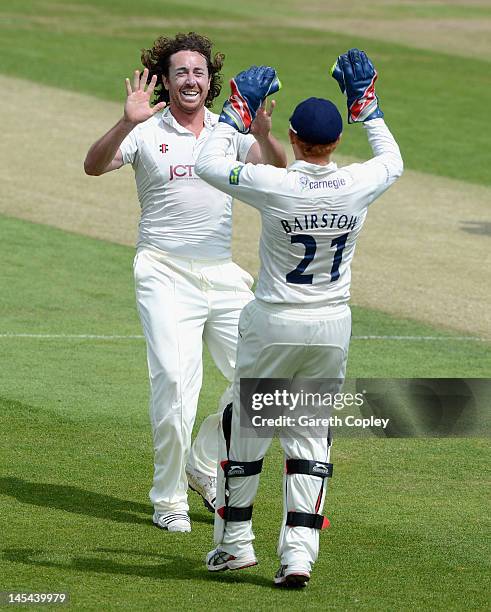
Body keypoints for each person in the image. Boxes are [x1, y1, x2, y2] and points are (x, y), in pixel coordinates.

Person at [195, 50, 403, 585]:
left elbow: (209, 165)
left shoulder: (276, 184)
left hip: (273, 323)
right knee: (309, 440)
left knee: (246, 435)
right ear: (334, 142)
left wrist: (234, 113)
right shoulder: (358, 183)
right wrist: (368, 108)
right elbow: (393, 160)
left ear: (292, 138)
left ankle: (236, 545)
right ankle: (298, 555)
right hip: (330, 326)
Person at [84, 32, 287, 533]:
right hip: (163, 271)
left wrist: (261, 134)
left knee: (266, 383)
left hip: (220, 271)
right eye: (180, 73)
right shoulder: (146, 128)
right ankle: (168, 498)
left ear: (210, 80)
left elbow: (280, 171)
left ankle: (203, 460)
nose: (191, 80)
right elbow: (93, 165)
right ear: (167, 81)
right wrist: (124, 122)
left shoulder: (226, 132)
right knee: (175, 384)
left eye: (199, 72)